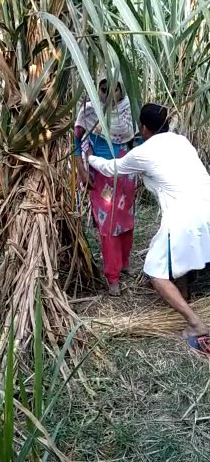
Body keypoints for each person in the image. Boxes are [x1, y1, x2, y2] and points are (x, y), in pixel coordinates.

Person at [88, 103, 210, 349]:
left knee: (155, 271)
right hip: (206, 206)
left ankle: (195, 324)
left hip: (185, 217)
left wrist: (88, 157)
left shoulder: (143, 153)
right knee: (175, 250)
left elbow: (112, 169)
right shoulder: (181, 141)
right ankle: (183, 291)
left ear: (143, 128)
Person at [74, 77, 137, 296]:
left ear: (122, 89)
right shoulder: (88, 112)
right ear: (97, 90)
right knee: (108, 224)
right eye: (104, 88)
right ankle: (113, 277)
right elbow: (76, 142)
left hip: (126, 174)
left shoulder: (128, 110)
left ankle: (124, 263)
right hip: (99, 176)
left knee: (126, 221)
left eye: (115, 88)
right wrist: (81, 171)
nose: (110, 94)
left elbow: (134, 142)